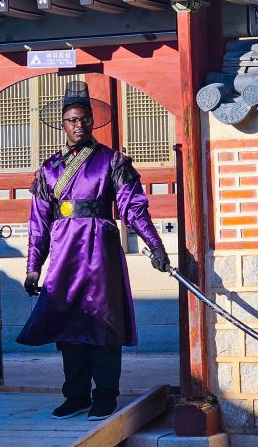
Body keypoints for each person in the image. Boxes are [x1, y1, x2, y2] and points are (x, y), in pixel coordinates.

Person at [17, 81, 170, 420]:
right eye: (73, 120)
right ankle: (76, 395)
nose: (79, 125)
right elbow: (39, 222)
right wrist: (33, 268)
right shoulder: (48, 169)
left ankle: (105, 395)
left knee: (102, 322)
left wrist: (155, 245)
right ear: (63, 124)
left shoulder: (111, 161)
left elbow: (133, 207)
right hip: (63, 254)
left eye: (85, 119)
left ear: (92, 121)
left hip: (100, 252)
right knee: (69, 325)